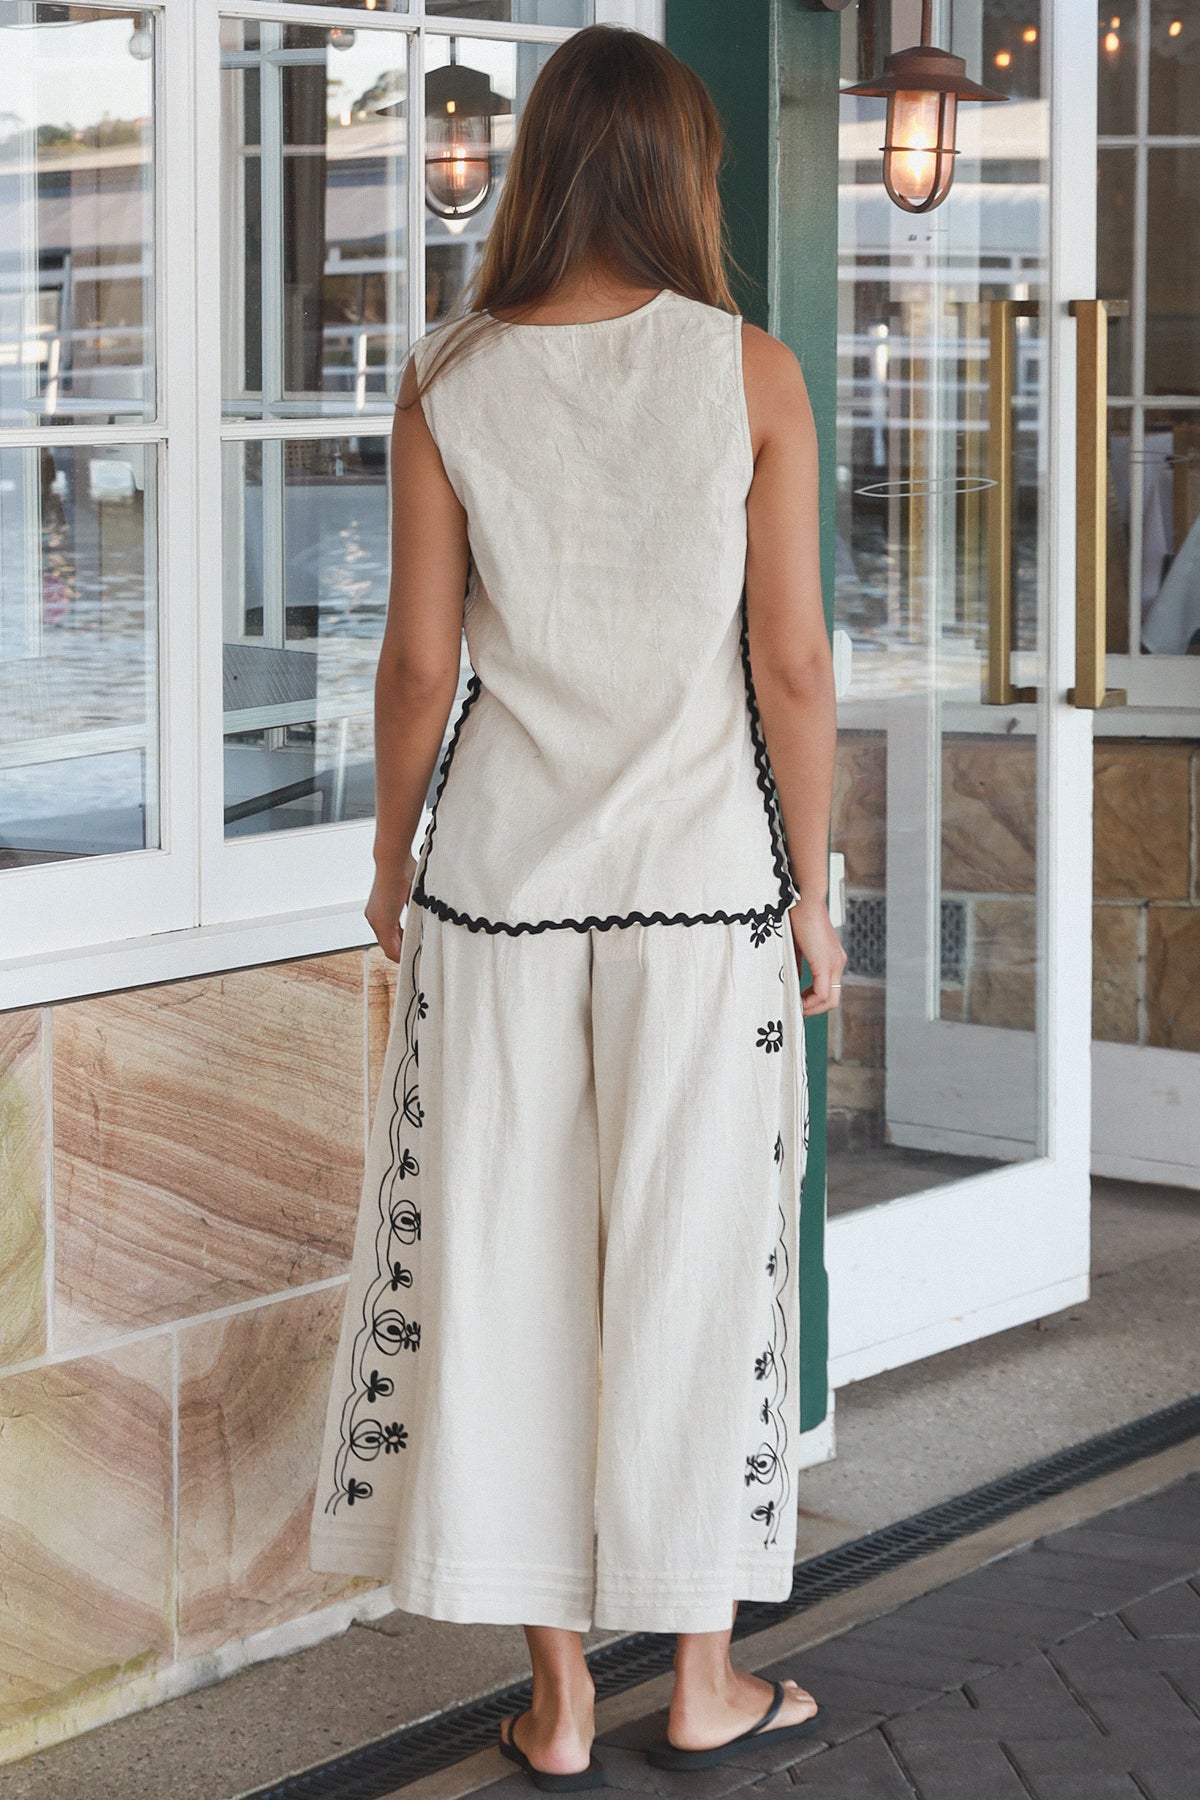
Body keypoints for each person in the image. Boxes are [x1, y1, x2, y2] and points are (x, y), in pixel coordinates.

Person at [310, 22, 844, 1790]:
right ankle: (698, 1680)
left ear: (536, 166)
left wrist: (388, 856)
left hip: (499, 899)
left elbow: (417, 667)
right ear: (684, 173)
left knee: (507, 1270)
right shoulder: (749, 373)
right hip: (699, 900)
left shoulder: (449, 379)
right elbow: (792, 668)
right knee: (694, 1273)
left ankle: (557, 1704)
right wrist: (812, 895)